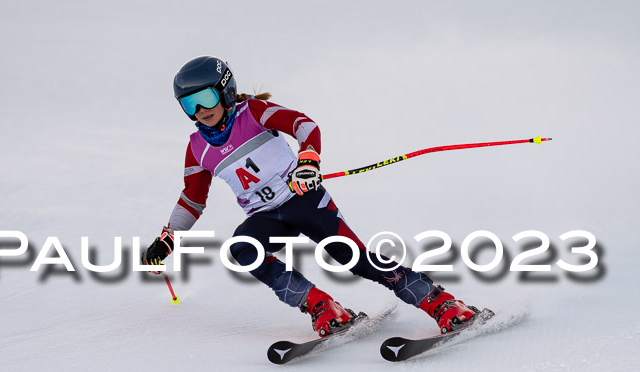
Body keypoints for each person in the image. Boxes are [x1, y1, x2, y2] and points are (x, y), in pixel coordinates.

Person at [142, 55, 482, 337]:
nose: (201, 110)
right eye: (189, 103)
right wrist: (168, 237)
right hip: (266, 217)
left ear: (226, 90)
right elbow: (192, 198)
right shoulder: (198, 147)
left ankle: (441, 303)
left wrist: (308, 159)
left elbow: (305, 126)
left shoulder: (255, 114)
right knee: (241, 248)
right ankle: (321, 305)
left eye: (207, 98)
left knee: (354, 259)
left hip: (304, 199)